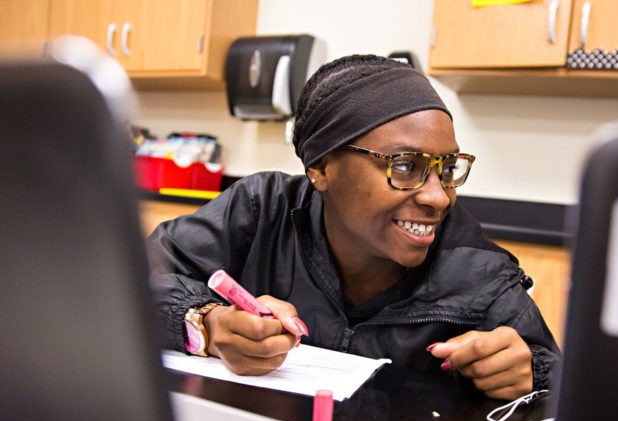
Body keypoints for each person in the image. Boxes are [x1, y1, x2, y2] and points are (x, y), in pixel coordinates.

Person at [147, 54, 560, 401]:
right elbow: (127, 280)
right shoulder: (262, 211)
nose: (438, 197)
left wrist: (531, 374)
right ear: (322, 168)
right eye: (404, 165)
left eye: (447, 169)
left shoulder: (476, 268)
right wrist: (207, 324)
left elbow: (561, 379)